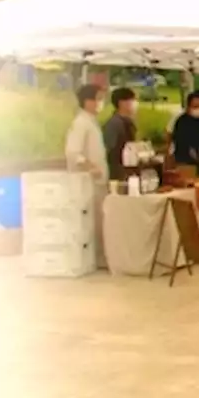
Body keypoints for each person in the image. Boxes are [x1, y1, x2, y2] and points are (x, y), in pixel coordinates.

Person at [65, 84, 109, 270]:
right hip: (87, 183)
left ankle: (98, 258)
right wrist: (91, 167)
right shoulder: (81, 123)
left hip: (98, 182)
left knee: (99, 222)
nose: (101, 103)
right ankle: (93, 260)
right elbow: (73, 152)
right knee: (91, 223)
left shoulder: (92, 122)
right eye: (98, 99)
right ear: (88, 101)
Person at [171, 90, 199, 174]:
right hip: (184, 161)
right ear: (189, 105)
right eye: (195, 106)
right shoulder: (181, 121)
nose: (198, 109)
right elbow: (181, 142)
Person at [102, 86, 138, 180]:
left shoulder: (129, 122)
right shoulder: (114, 124)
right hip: (117, 172)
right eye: (132, 100)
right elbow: (109, 149)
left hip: (128, 169)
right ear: (122, 103)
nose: (135, 104)